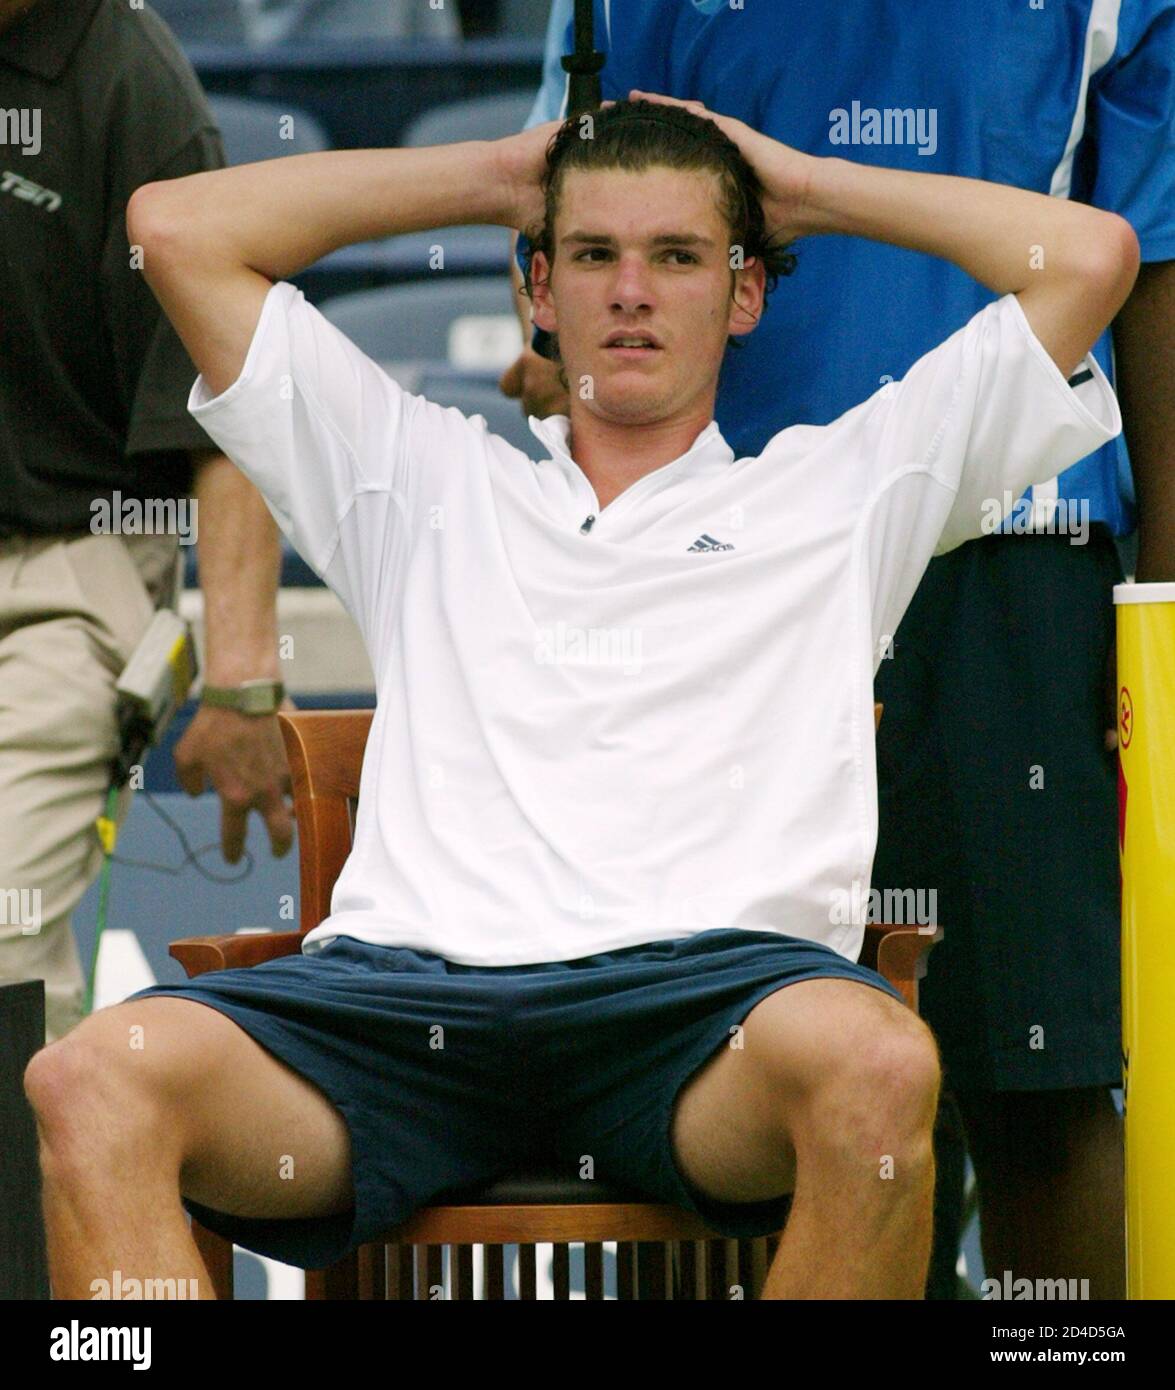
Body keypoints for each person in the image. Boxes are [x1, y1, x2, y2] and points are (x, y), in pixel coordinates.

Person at [23, 95, 1135, 1300]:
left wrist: (803, 188)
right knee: (88, 1079)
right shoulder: (419, 475)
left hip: (707, 1013)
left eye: (678, 255)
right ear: (537, 292)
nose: (632, 291)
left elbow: (1089, 257)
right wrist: (502, 172)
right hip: (402, 1004)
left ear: (745, 292)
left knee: (877, 1063)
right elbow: (176, 227)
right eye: (594, 255)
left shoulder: (848, 484)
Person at [502, 0, 1175, 1300]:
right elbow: (565, 222)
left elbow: (1150, 257)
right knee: (711, 1068)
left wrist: (1158, 604)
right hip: (712, 563)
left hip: (1008, 542)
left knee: (1029, 1079)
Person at [0, 0, 294, 1045]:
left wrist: (242, 684)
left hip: (61, 577)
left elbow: (227, 404)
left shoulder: (129, 79)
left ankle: (24, 1211)